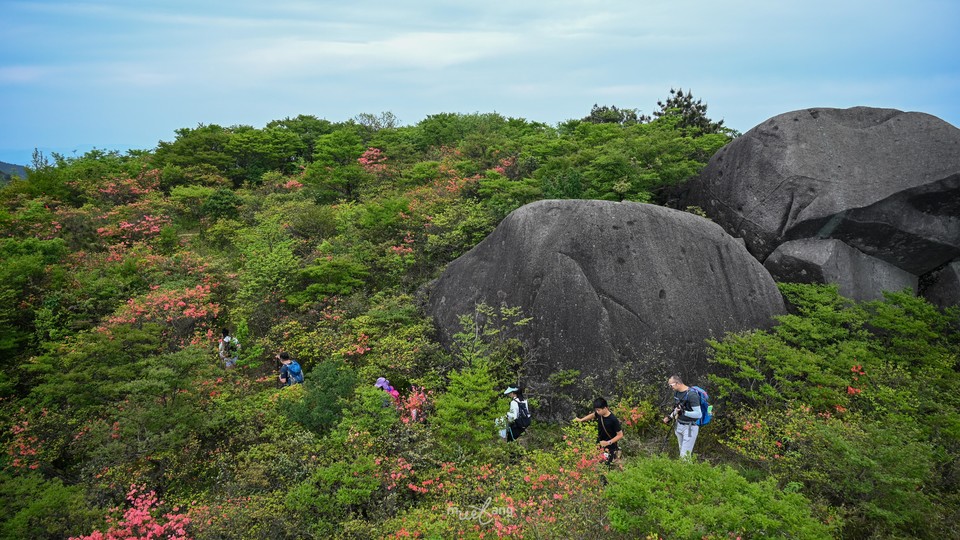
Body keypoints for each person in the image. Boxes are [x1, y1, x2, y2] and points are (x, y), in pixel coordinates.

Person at [574, 397, 624, 466]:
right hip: (599, 444)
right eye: (596, 410)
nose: (597, 411)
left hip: (610, 446)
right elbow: (593, 415)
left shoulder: (613, 419)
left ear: (605, 408)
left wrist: (608, 443)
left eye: (598, 410)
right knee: (598, 462)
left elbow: (620, 435)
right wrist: (581, 420)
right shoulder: (599, 414)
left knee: (606, 465)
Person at [662, 375, 702, 458]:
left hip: (690, 427)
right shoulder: (677, 393)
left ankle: (687, 470)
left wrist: (685, 413)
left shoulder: (692, 395)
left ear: (677, 383)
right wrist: (670, 417)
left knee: (684, 456)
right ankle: (685, 470)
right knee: (682, 453)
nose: (670, 387)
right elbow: (678, 409)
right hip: (679, 425)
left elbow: (698, 414)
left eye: (671, 385)